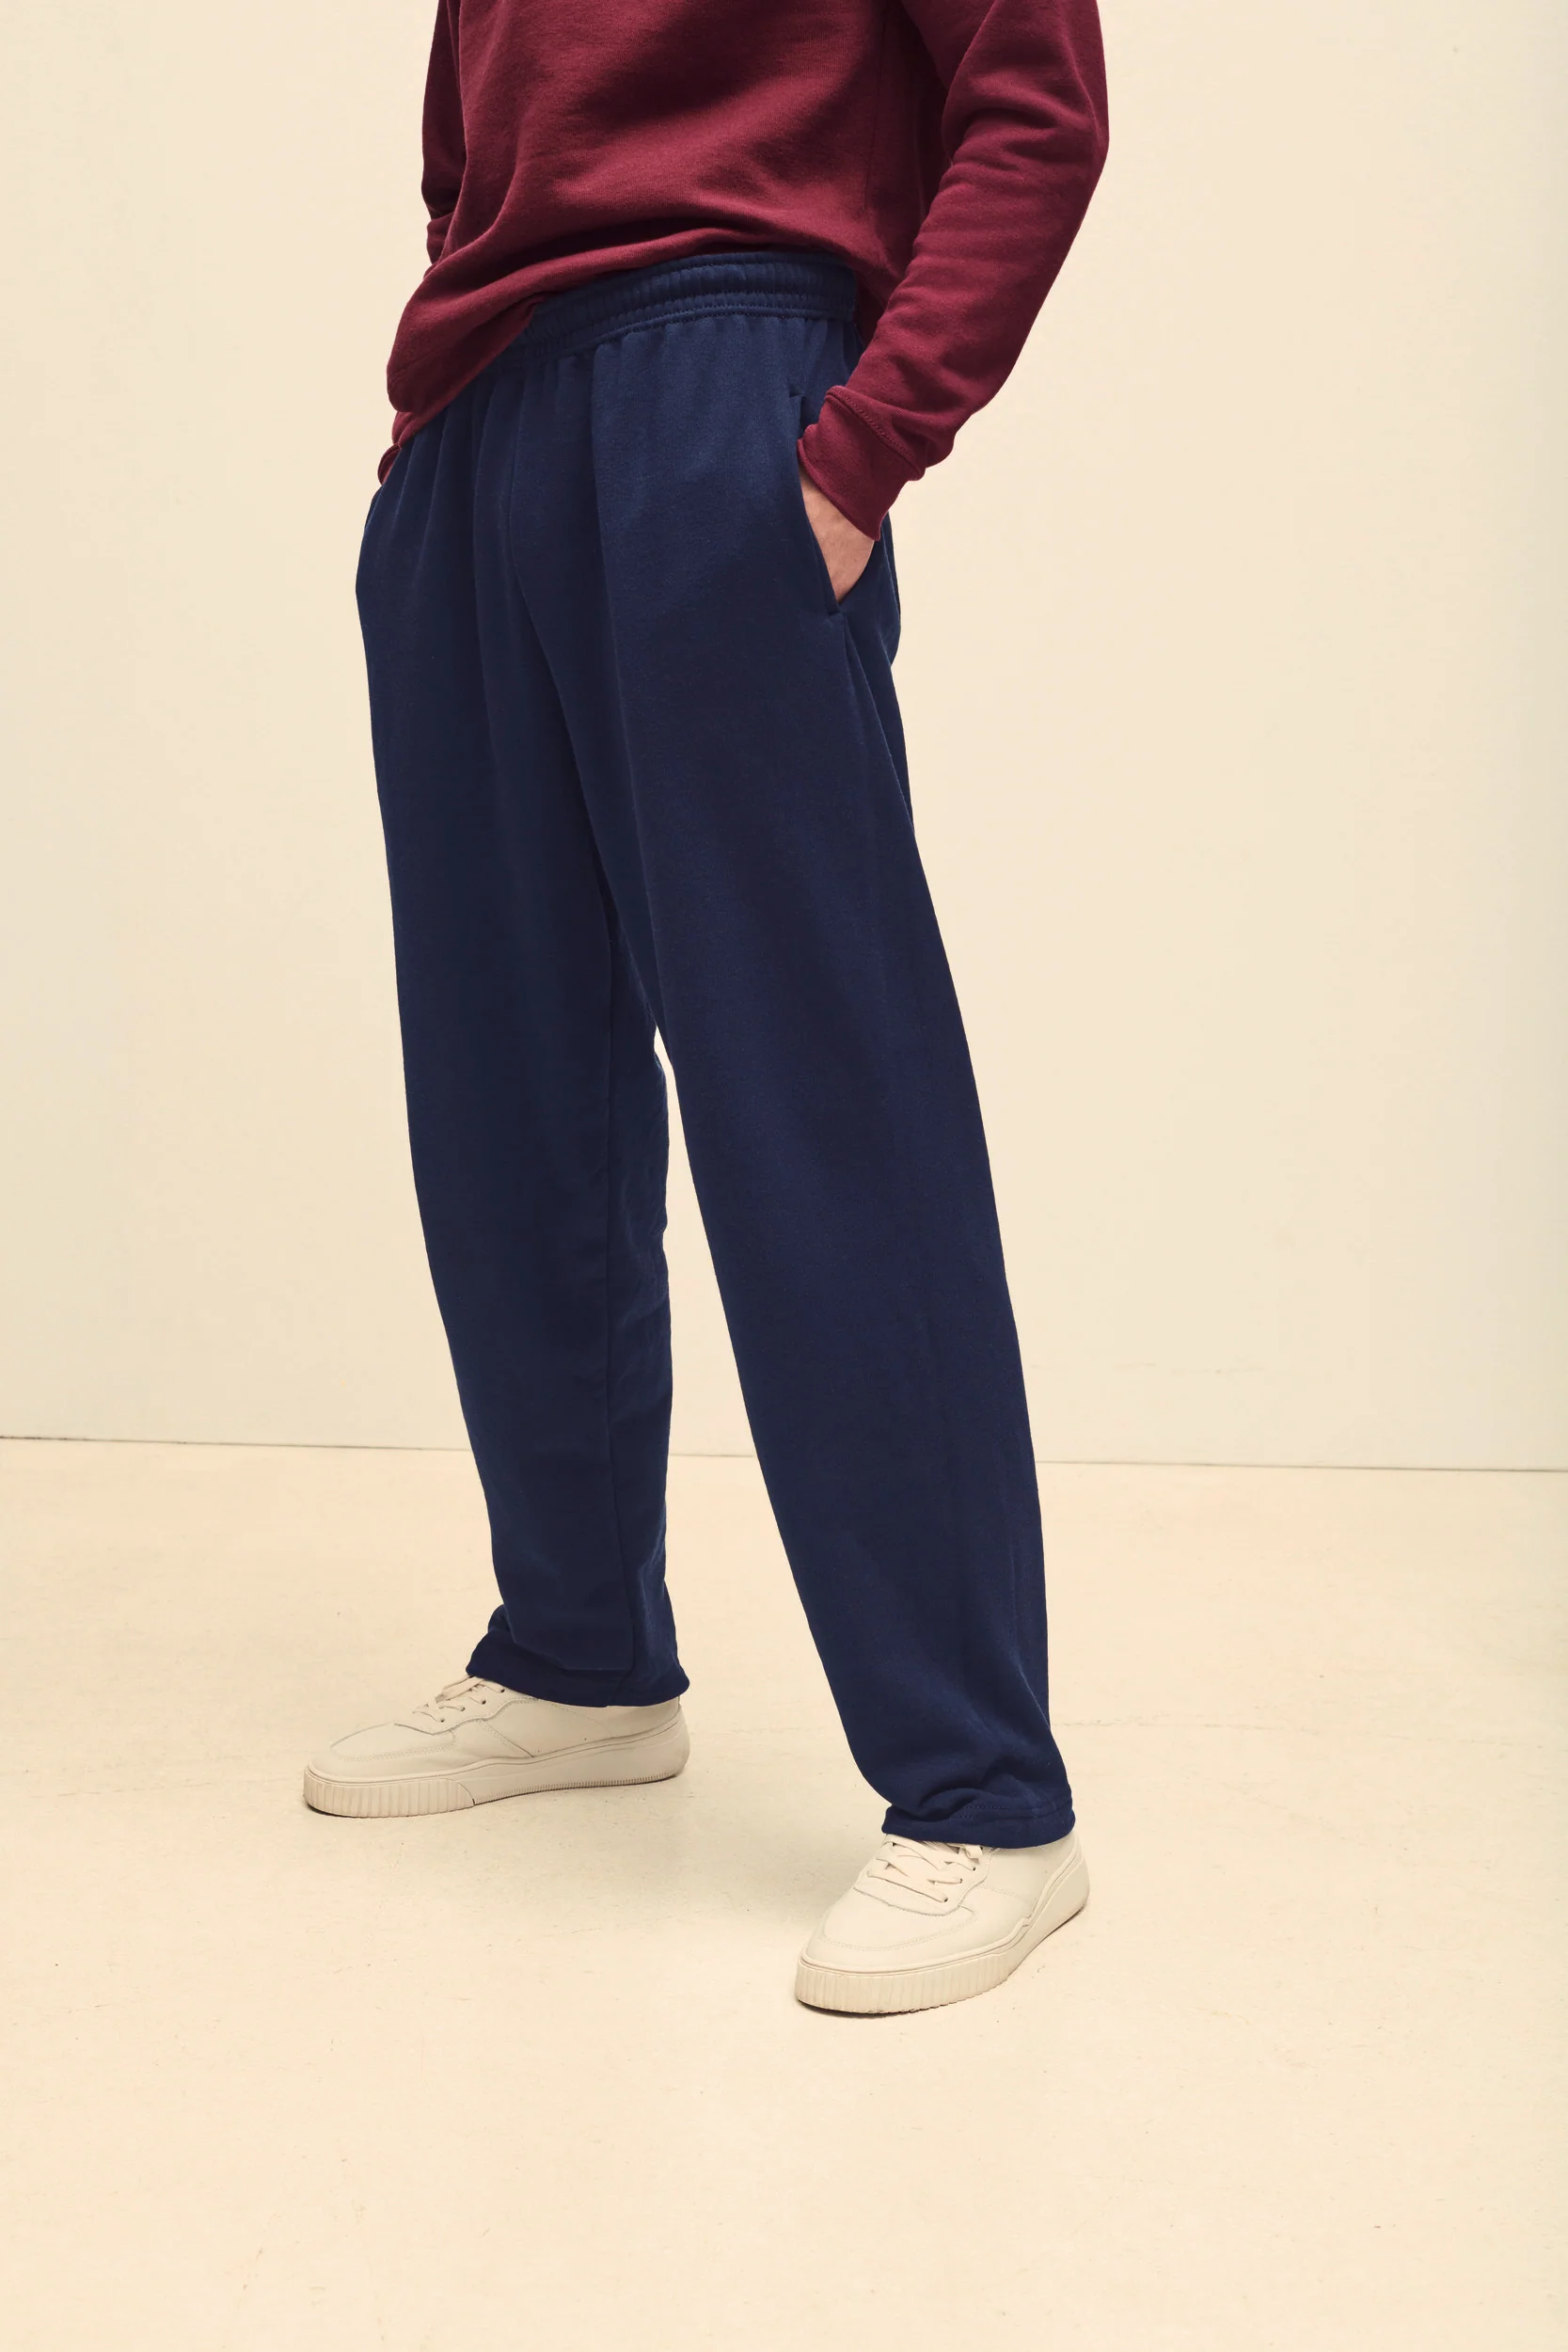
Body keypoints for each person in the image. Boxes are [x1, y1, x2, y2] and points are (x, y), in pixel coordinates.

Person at [305, 0, 1109, 2016]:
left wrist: (856, 445)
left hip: (723, 388)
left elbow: (1034, 106)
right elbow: (474, 143)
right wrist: (432, 443)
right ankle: (578, 1652)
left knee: (816, 1100)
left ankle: (985, 1792)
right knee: (505, 1093)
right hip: (482, 423)